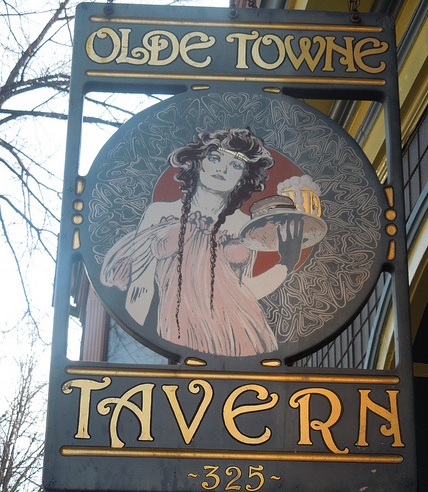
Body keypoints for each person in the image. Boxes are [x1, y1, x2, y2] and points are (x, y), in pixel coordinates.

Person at [100, 128, 303, 357]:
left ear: (244, 177)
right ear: (198, 162)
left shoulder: (244, 225)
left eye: (235, 165)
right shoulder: (160, 213)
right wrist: (139, 347)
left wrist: (286, 264)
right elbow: (141, 287)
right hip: (179, 334)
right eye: (215, 158)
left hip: (243, 338)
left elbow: (245, 291)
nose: (222, 169)